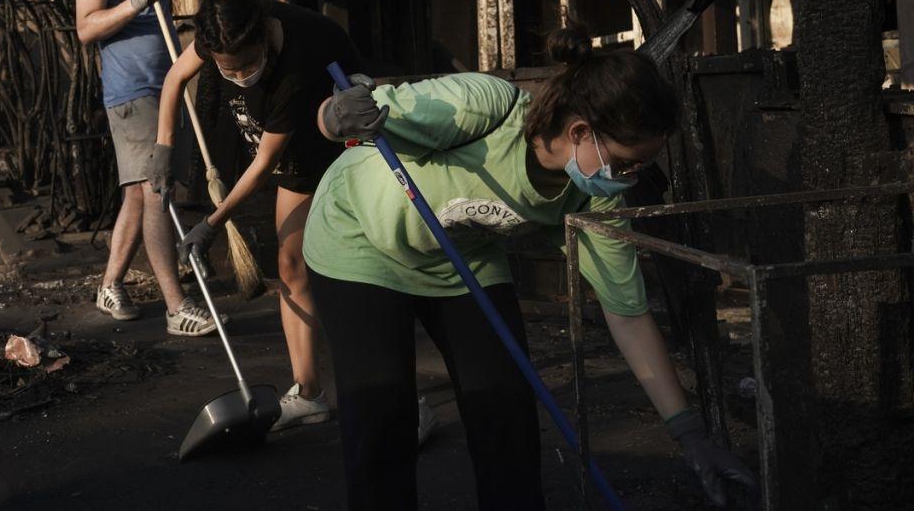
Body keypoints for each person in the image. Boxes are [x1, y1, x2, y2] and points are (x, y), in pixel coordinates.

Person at [304, 27, 756, 509]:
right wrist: (337, 113)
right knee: (381, 416)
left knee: (505, 411)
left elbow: (626, 313)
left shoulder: (594, 199)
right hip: (359, 242)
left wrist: (689, 436)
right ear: (581, 132)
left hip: (463, 258)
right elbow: (345, 115)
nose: (632, 177)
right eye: (626, 163)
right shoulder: (485, 106)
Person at [150, 0, 363, 432]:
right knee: (289, 265)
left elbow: (265, 163)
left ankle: (378, 390)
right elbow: (174, 79)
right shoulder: (221, 33)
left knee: (348, 270)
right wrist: (163, 146)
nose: (239, 74)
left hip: (339, 148)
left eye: (247, 65)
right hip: (291, 156)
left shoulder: (299, 63)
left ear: (264, 35)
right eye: (227, 69)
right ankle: (309, 394)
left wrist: (211, 222)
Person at [73, 0, 222, 337]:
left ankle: (110, 284)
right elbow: (85, 27)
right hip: (130, 89)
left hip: (167, 84)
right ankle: (177, 307)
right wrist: (135, 0)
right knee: (157, 191)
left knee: (139, 193)